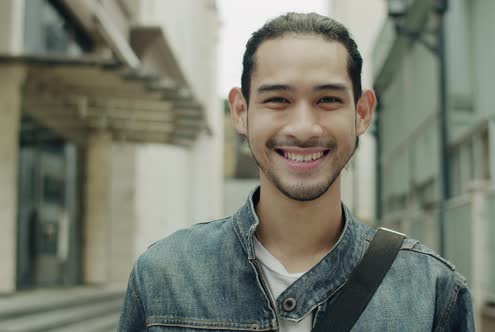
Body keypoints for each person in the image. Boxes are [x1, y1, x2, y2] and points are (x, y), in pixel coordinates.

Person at [118, 12, 474, 331]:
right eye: (278, 100)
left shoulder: (431, 291)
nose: (303, 129)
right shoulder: (165, 276)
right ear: (241, 112)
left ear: (362, 112)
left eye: (328, 100)